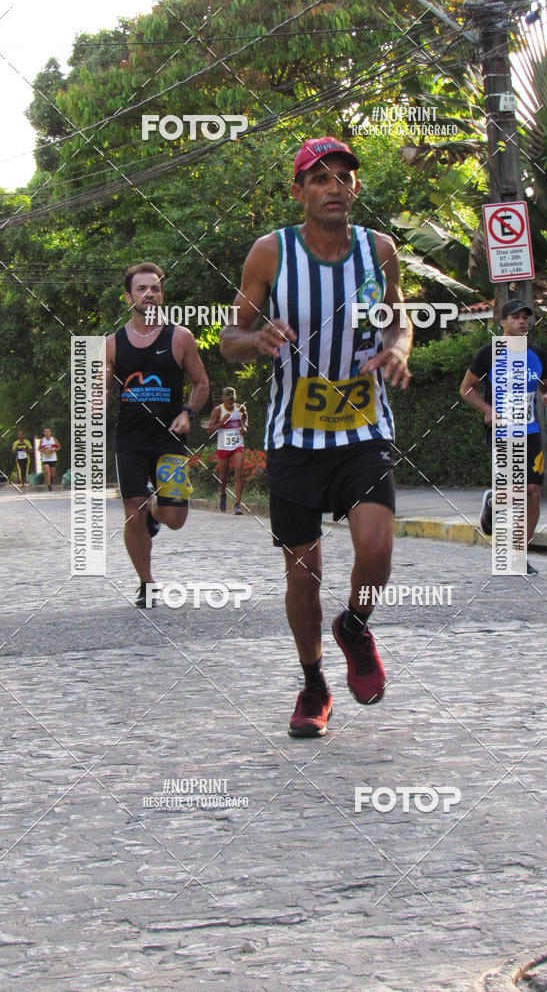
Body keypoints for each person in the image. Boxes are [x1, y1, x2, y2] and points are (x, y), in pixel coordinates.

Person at [220, 136, 412, 738]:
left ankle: (354, 626)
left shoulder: (379, 250)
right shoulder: (269, 254)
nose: (335, 187)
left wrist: (399, 348)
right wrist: (256, 341)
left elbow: (399, 316)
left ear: (355, 188)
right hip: (294, 436)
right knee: (303, 574)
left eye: (344, 178)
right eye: (320, 178)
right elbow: (229, 337)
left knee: (376, 547)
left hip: (362, 427)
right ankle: (313, 684)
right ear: (299, 191)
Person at [106, 261, 210, 607]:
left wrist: (188, 412)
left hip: (170, 438)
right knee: (132, 507)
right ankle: (147, 583)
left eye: (155, 288)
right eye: (141, 288)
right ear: (128, 297)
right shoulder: (112, 344)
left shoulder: (179, 337)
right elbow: (98, 387)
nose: (150, 294)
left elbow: (201, 383)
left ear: (162, 295)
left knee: (174, 518)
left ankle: (155, 513)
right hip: (131, 439)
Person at [459, 298, 547, 574]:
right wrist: (487, 409)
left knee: (533, 493)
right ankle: (493, 501)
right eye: (515, 317)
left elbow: (546, 389)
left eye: (526, 317)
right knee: (514, 493)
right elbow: (466, 388)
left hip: (531, 431)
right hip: (502, 431)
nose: (522, 321)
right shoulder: (489, 353)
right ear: (502, 322)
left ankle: (518, 555)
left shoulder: (537, 354)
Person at [207, 387, 248, 515]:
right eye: (228, 398)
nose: (230, 401)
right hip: (223, 446)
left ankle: (237, 505)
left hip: (237, 445)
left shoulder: (240, 408)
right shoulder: (217, 411)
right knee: (223, 477)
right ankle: (223, 494)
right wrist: (221, 422)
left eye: (232, 398)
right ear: (222, 398)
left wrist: (244, 426)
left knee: (239, 472)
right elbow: (210, 430)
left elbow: (245, 417)